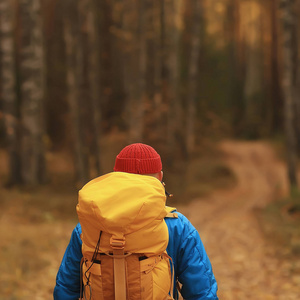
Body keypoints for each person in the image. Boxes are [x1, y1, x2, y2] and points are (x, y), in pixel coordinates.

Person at [54, 143, 218, 300]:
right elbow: (202, 292)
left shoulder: (88, 226)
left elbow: (66, 288)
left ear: (115, 178)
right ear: (160, 177)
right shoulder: (177, 226)